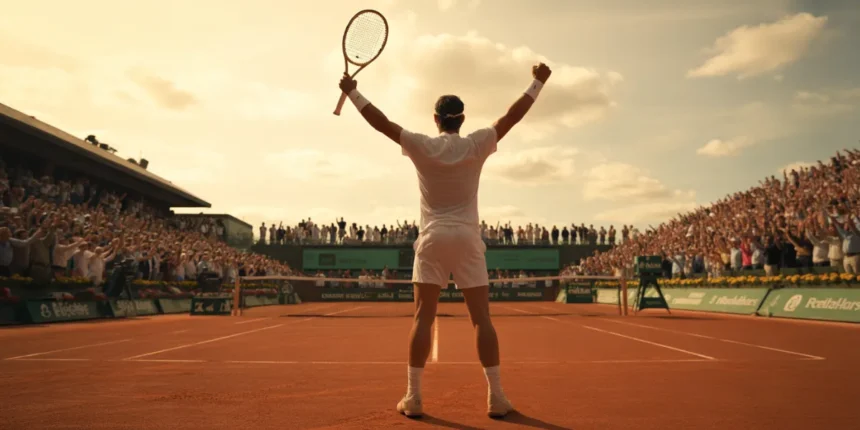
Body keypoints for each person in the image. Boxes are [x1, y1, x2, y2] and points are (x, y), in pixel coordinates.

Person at [338, 62, 552, 419]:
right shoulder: (477, 143)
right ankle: (496, 398)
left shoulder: (422, 145)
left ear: (436, 119)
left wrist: (353, 92)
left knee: (423, 318)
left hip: (433, 237)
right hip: (468, 239)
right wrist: (537, 83)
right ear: (462, 119)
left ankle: (414, 397)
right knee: (482, 319)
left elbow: (382, 123)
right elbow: (511, 117)